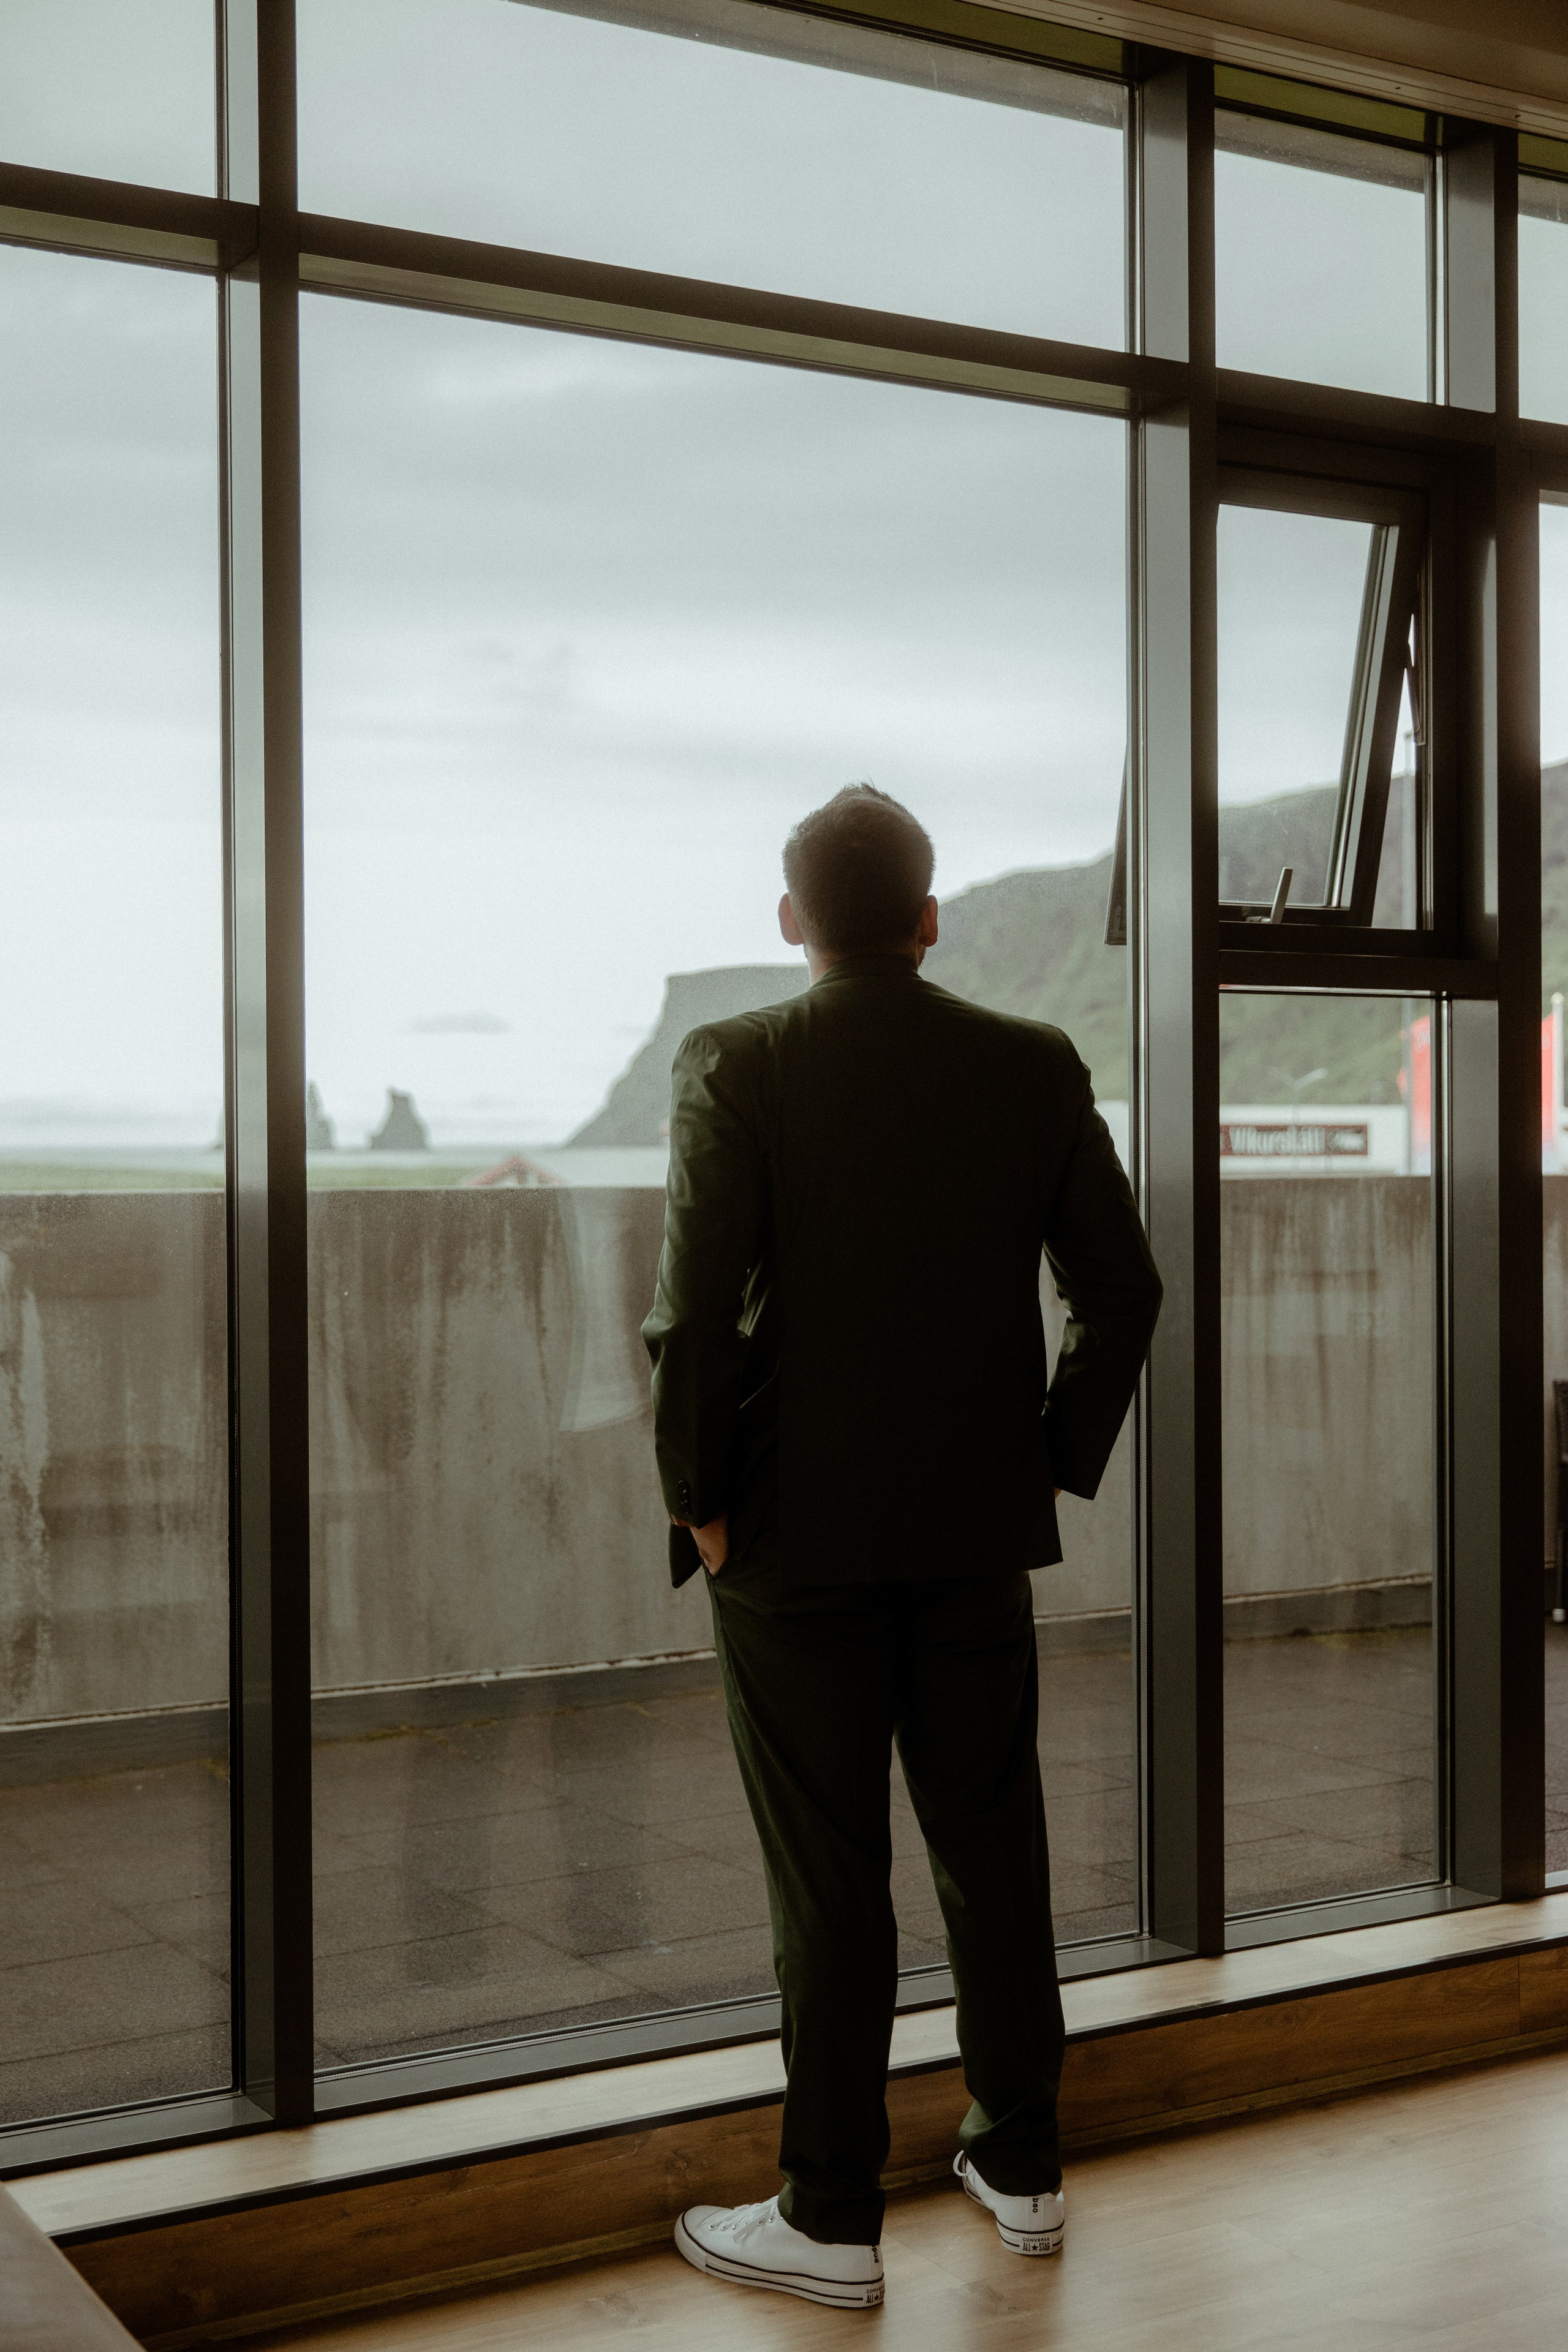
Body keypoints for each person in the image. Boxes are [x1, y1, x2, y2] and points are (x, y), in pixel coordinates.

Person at [642, 784, 1161, 2311]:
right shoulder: (1030, 1064)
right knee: (990, 1848)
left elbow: (690, 1314)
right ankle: (1020, 2163)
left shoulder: (736, 1061)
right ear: (929, 918)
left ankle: (828, 2218)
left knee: (830, 1880)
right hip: (971, 1536)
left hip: (790, 1543)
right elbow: (1121, 1293)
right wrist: (1048, 1464)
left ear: (792, 920)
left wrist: (700, 1504)